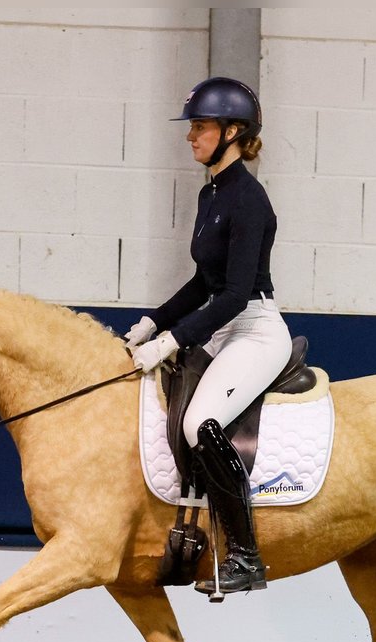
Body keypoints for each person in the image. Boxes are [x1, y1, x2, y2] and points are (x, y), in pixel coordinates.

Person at [125, 76, 292, 595]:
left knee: (201, 422)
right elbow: (204, 282)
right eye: (193, 126)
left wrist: (173, 341)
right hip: (221, 327)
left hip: (255, 329)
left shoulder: (249, 199)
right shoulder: (211, 193)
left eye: (200, 126)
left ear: (234, 131)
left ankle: (245, 557)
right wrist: (155, 321)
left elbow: (235, 294)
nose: (190, 136)